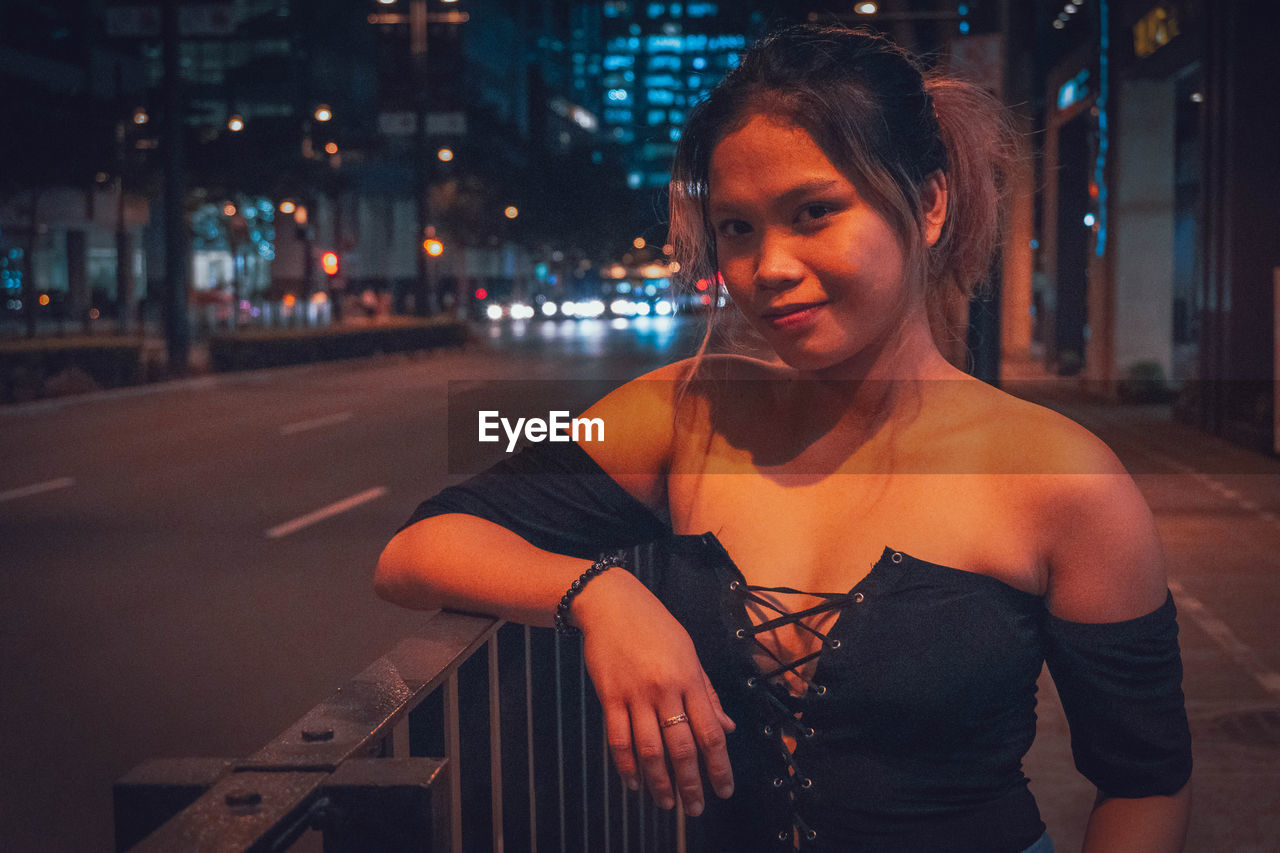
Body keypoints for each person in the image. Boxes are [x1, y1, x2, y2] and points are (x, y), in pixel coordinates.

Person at [376, 25, 1192, 852]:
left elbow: (1144, 780)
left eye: (814, 213)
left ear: (931, 202)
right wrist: (600, 595)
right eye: (737, 228)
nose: (768, 266)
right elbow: (418, 549)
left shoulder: (1065, 478)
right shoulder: (685, 413)